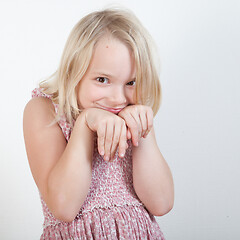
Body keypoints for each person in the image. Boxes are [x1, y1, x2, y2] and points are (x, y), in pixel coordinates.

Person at [23, 7, 174, 239]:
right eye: (102, 80)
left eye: (131, 82)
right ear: (73, 73)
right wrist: (84, 125)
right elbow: (64, 207)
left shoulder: (131, 116)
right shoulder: (45, 111)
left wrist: (142, 134)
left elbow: (161, 203)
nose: (118, 98)